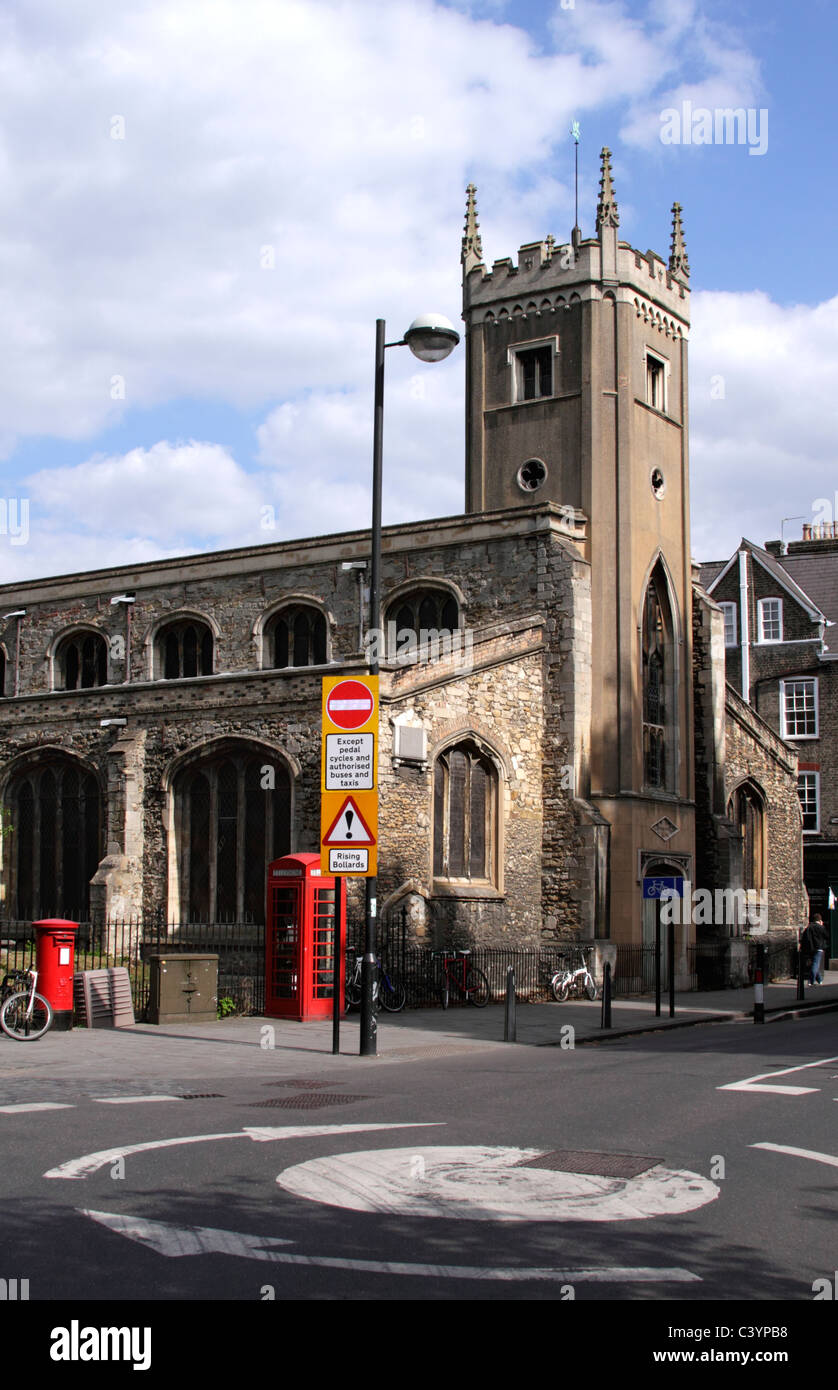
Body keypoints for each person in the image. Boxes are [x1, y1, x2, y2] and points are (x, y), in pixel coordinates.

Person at [802, 915, 828, 985]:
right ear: (820, 921)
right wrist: (822, 926)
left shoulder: (808, 928)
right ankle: (811, 980)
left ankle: (819, 980)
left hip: (810, 948)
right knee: (815, 964)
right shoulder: (821, 927)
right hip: (818, 948)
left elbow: (805, 938)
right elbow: (826, 936)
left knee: (813, 964)